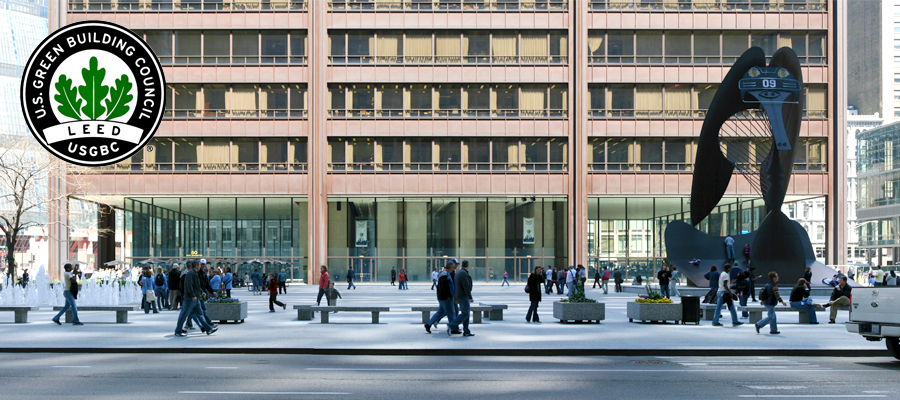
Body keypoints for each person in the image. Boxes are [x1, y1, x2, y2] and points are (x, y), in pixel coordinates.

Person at [174, 262, 215, 337]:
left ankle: (208, 329)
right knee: (184, 314)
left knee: (200, 314)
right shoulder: (191, 273)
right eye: (199, 265)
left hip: (195, 298)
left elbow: (196, 285)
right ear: (196, 265)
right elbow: (189, 285)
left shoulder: (194, 273)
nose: (200, 266)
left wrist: (201, 292)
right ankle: (178, 331)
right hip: (190, 298)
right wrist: (193, 295)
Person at [425, 263, 456, 334]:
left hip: (443, 297)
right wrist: (448, 296)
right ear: (450, 267)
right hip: (446, 298)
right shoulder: (444, 276)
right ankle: (453, 328)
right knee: (451, 313)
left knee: (440, 312)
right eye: (452, 268)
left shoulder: (445, 275)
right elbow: (444, 288)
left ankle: (428, 324)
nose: (453, 270)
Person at [449, 260, 474, 336]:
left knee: (466, 313)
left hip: (459, 296)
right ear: (468, 265)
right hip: (463, 296)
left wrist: (456, 297)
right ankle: (451, 324)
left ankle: (466, 331)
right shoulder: (463, 273)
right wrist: (470, 297)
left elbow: (456, 286)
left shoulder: (459, 272)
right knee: (465, 313)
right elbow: (465, 286)